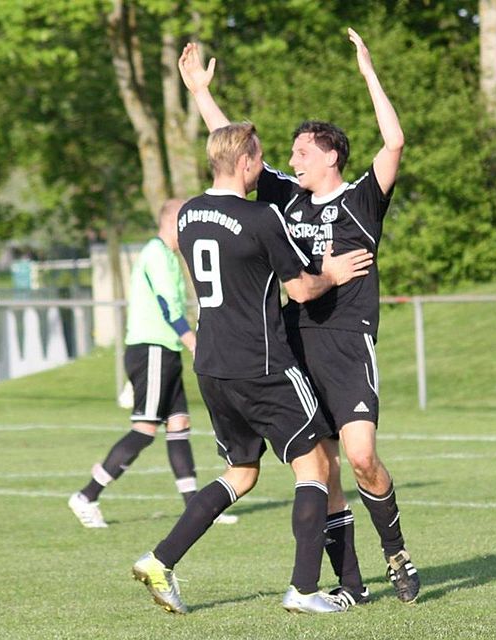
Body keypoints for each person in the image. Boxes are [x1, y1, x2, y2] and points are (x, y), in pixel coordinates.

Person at [178, 28, 420, 605]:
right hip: (293, 343)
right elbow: (230, 150)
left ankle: (396, 552)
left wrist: (368, 72)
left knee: (362, 459)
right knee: (325, 472)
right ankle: (349, 584)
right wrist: (200, 93)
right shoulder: (284, 197)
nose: (290, 161)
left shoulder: (362, 201)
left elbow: (394, 141)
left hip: (347, 342)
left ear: (332, 156)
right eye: (288, 155)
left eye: (302, 153)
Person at [131, 122, 374, 615]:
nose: (264, 166)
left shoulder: (189, 214)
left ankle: (160, 560)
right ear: (244, 163)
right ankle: (304, 590)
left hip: (212, 365)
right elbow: (300, 290)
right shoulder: (264, 217)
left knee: (241, 471)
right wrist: (331, 272)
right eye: (259, 158)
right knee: (315, 466)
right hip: (261, 364)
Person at [68, 199, 237, 528]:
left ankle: (195, 508)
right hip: (152, 349)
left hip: (164, 350)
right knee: (145, 429)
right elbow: (166, 304)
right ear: (173, 220)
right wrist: (192, 341)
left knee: (179, 427)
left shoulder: (170, 257)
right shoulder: (157, 255)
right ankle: (86, 496)